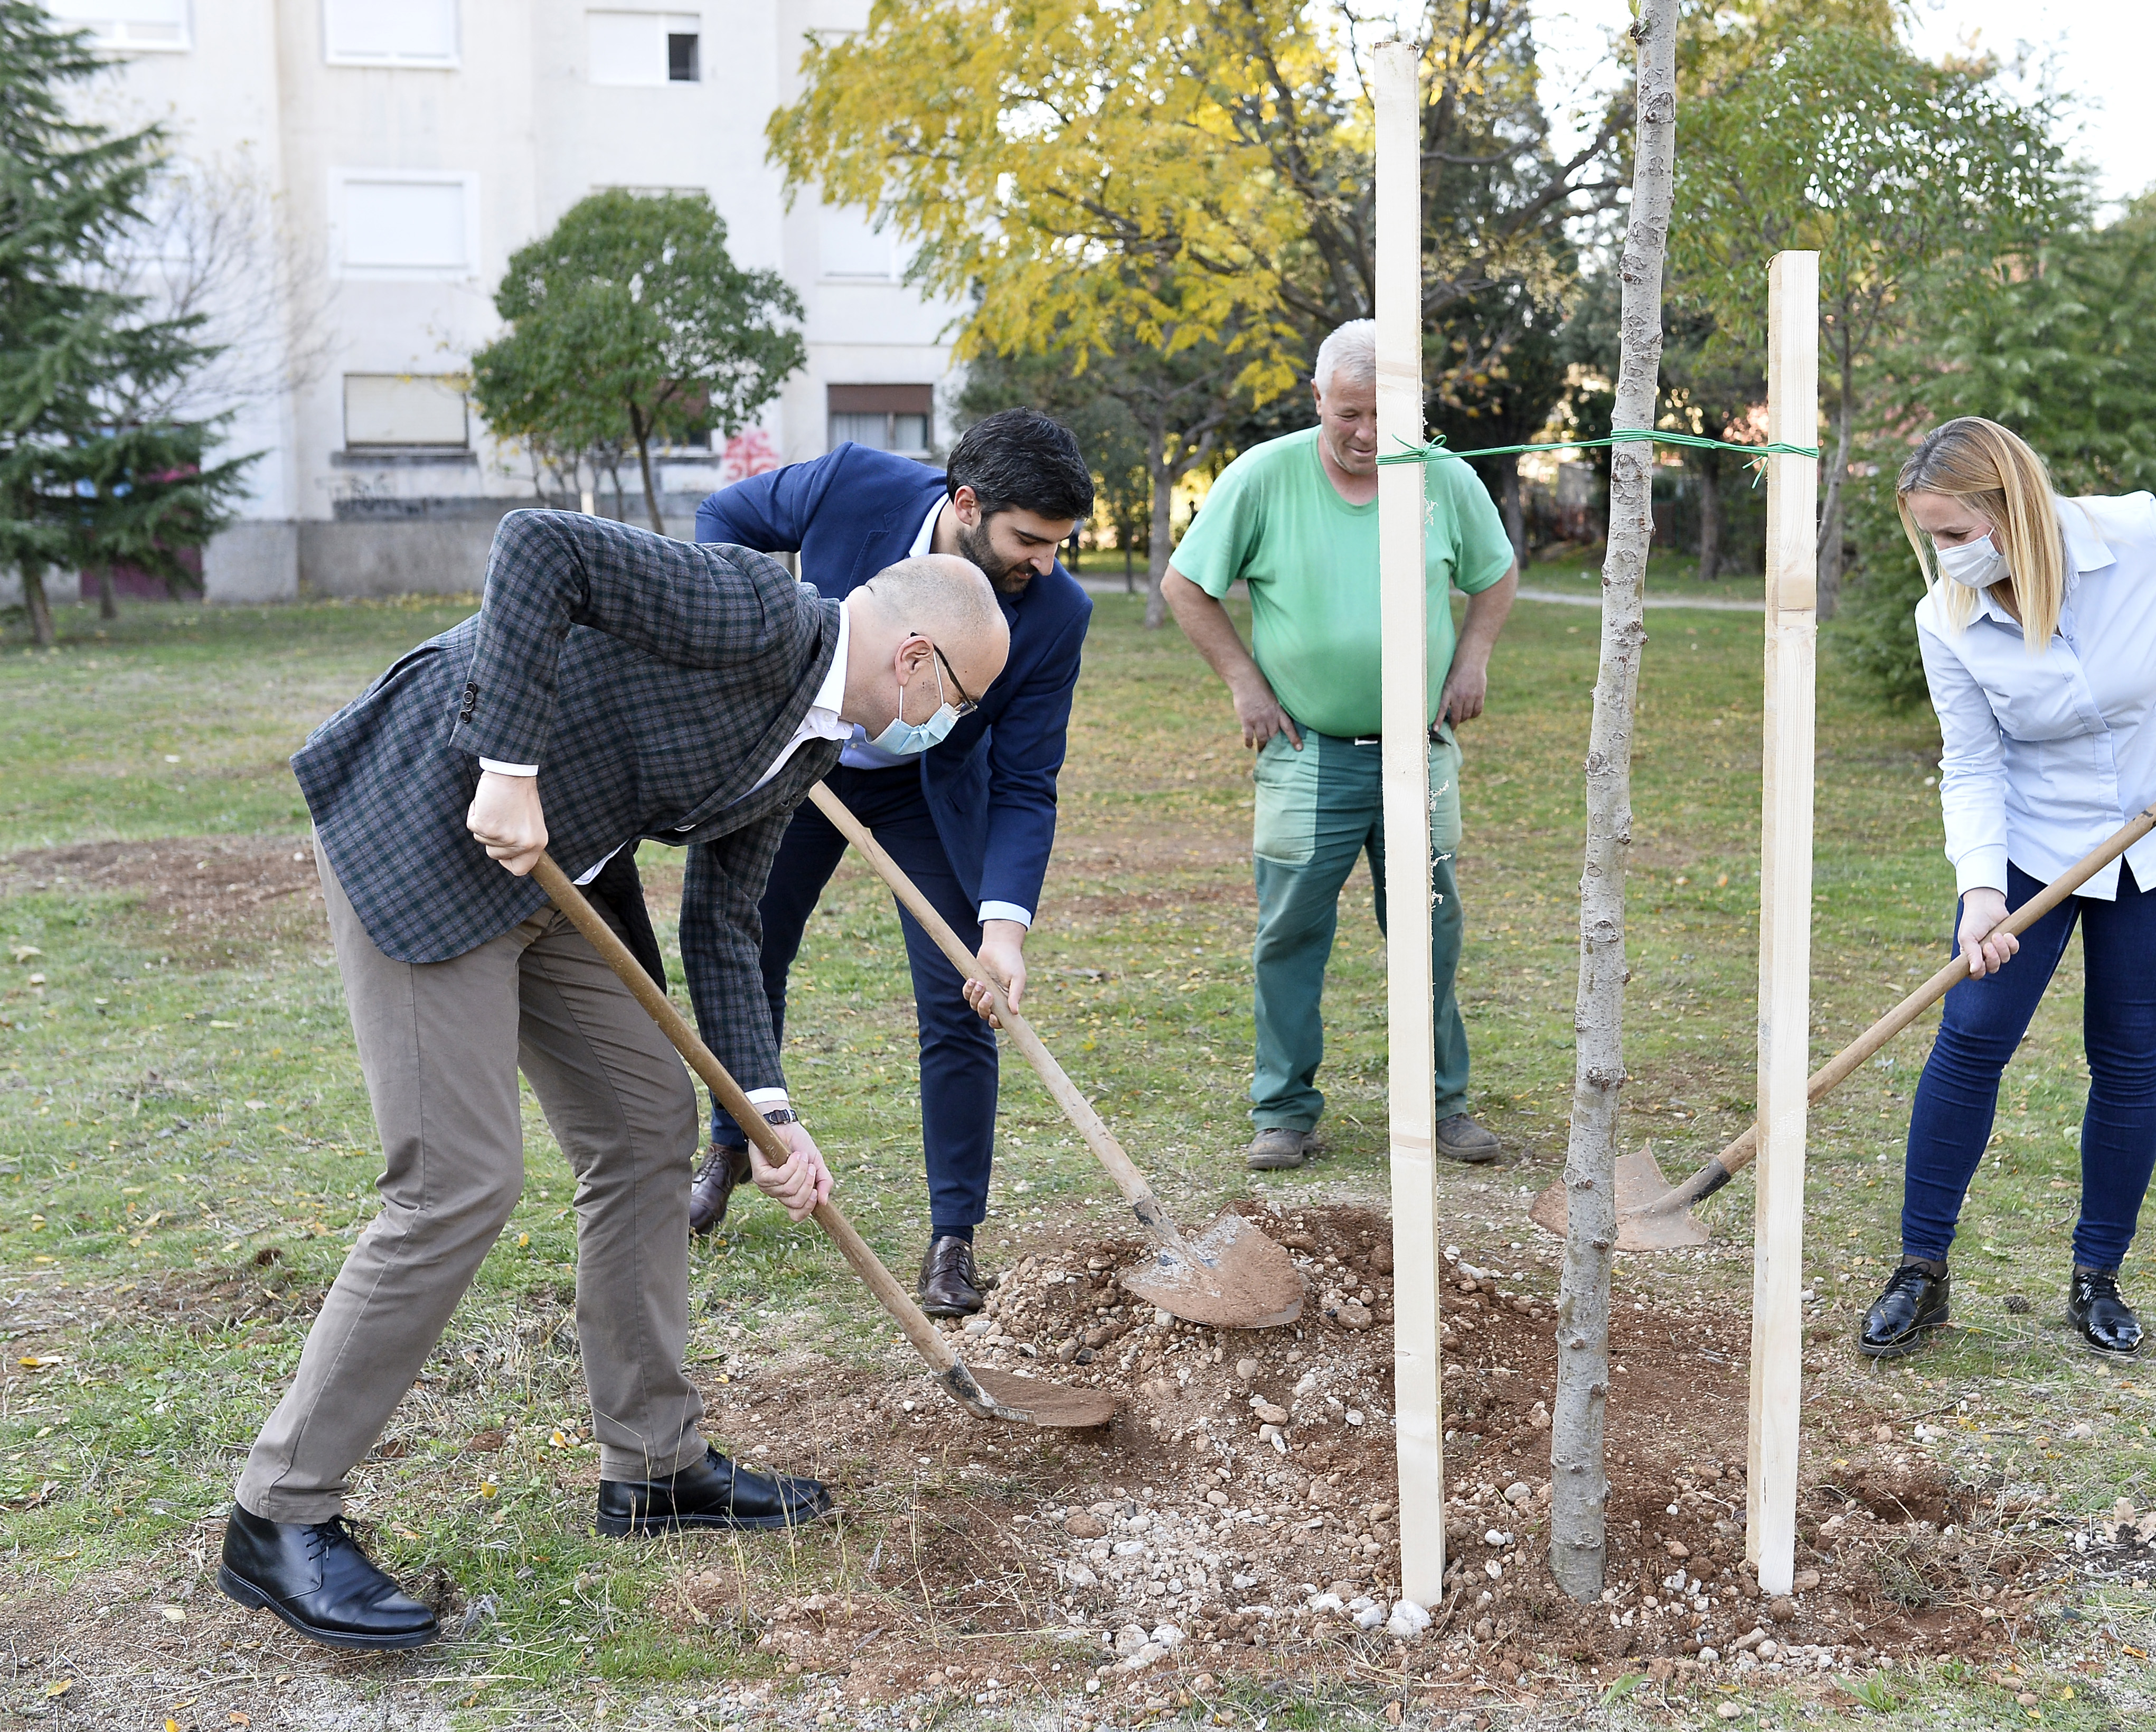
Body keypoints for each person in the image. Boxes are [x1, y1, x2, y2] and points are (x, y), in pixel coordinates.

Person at [221, 512, 1008, 1652]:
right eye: (960, 700)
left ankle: (653, 1465)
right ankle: (278, 1511)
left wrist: (771, 1115)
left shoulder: (816, 733)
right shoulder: (756, 612)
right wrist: (507, 765)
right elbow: (541, 547)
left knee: (650, 1117)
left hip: (559, 879)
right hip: (437, 829)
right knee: (457, 1183)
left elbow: (726, 923)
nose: (950, 723)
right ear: (916, 659)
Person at [1857, 417, 2156, 1362]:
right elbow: (1971, 761)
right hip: (2032, 845)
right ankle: (1921, 1269)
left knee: (2129, 1051)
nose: (1945, 556)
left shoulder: (2136, 537)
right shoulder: (1946, 618)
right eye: (1930, 537)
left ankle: (2096, 1276)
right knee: (1972, 1038)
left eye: (1954, 533)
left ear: (2007, 507)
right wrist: (1981, 891)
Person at [685, 409, 1095, 1318]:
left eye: (1060, 544)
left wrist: (1003, 932)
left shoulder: (1056, 613)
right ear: (965, 503)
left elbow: (1028, 779)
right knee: (747, 952)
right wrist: (768, 657)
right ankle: (729, 1140)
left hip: (923, 793)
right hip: (803, 756)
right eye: (1029, 540)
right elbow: (725, 521)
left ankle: (954, 1238)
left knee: (961, 996)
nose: (1046, 563)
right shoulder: (854, 484)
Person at [1161, 321, 1519, 1172]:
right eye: (1348, 413)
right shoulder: (1264, 476)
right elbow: (1186, 584)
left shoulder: (1443, 480)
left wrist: (1473, 658)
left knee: (1430, 931)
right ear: (1317, 398)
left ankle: (1442, 1105)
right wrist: (1246, 683)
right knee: (1289, 934)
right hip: (1309, 752)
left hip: (1417, 752)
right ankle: (1283, 1110)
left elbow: (1496, 572)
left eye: (1383, 415)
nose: (1364, 434)